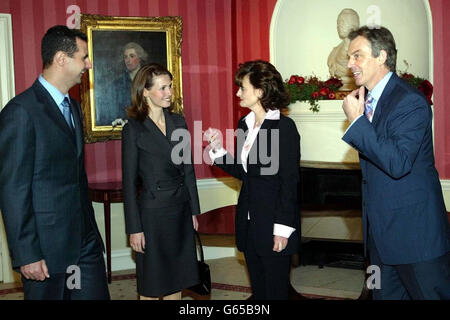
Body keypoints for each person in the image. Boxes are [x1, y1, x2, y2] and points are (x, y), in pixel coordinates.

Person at [0, 25, 110, 300]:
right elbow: (14, 189)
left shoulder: (72, 107)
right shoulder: (21, 112)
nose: (89, 64)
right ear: (61, 58)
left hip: (85, 242)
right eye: (83, 57)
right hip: (46, 250)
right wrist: (27, 254)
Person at [342, 26, 450, 300]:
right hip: (379, 237)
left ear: (381, 56)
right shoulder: (368, 101)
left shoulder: (410, 101)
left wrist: (356, 122)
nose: (349, 63)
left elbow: (398, 162)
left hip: (414, 236)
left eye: (357, 55)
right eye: (349, 57)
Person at [205, 60, 301, 300]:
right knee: (258, 292)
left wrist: (282, 230)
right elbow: (244, 172)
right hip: (249, 223)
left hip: (274, 225)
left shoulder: (284, 128)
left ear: (260, 91)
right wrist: (217, 150)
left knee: (276, 293)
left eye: (242, 88)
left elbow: (289, 184)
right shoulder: (245, 125)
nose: (238, 92)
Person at [122, 63, 201, 300]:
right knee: (152, 283)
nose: (169, 92)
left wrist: (194, 211)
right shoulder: (133, 129)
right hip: (152, 214)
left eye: (170, 87)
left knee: (177, 279)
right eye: (163, 88)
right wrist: (134, 228)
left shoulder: (179, 122)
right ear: (145, 91)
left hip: (180, 209)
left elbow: (188, 170)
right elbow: (128, 183)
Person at [327, 8, 360, 91]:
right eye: (338, 23)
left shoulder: (361, 52)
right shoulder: (335, 52)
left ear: (353, 25)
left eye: (342, 22)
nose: (339, 26)